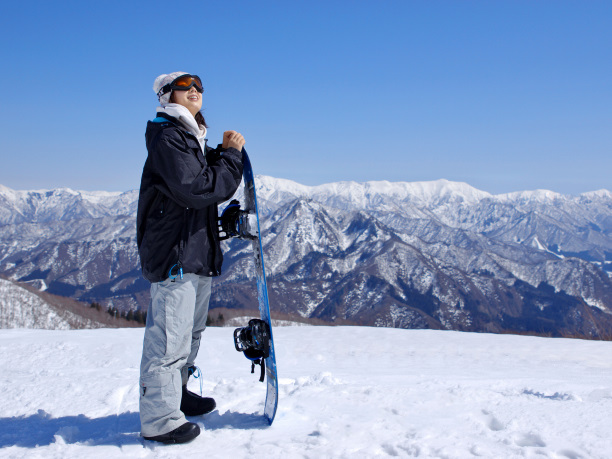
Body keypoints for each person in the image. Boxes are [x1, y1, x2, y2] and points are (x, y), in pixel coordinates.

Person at [136, 72, 245, 444]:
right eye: (187, 88)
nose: (196, 92)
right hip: (175, 255)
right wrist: (230, 157)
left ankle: (176, 396)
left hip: (195, 252)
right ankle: (159, 419)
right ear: (168, 95)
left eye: (199, 87)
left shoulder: (190, 138)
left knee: (189, 336)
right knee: (169, 340)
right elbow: (196, 188)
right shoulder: (168, 135)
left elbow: (197, 178)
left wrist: (216, 154)